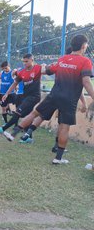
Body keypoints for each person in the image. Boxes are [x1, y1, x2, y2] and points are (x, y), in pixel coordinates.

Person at [13, 35, 94, 164]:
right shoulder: (85, 61)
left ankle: (15, 131)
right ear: (84, 46)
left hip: (54, 95)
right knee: (64, 127)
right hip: (69, 100)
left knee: (36, 113)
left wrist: (38, 68)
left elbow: (47, 70)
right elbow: (86, 82)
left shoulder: (62, 59)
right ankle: (58, 158)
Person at [0, 54, 43, 141]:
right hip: (26, 96)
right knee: (27, 116)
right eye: (23, 61)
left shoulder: (38, 68)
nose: (25, 63)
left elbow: (48, 70)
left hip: (34, 96)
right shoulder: (22, 72)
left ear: (32, 60)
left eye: (26, 61)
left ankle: (3, 129)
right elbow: (15, 83)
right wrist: (6, 94)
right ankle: (29, 138)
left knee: (18, 112)